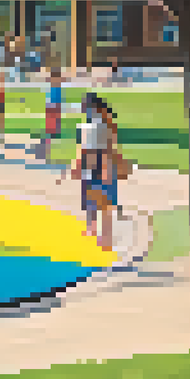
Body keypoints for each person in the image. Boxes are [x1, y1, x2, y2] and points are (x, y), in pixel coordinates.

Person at [67, 93, 129, 252]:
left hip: (100, 167)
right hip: (95, 167)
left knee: (103, 203)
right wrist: (78, 166)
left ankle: (105, 238)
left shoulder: (102, 126)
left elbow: (107, 149)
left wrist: (105, 169)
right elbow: (84, 149)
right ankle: (93, 231)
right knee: (92, 201)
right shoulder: (95, 125)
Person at [39, 67, 65, 162]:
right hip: (52, 109)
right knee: (50, 130)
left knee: (54, 130)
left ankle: (48, 148)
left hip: (55, 109)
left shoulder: (56, 88)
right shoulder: (52, 88)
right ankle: (46, 148)